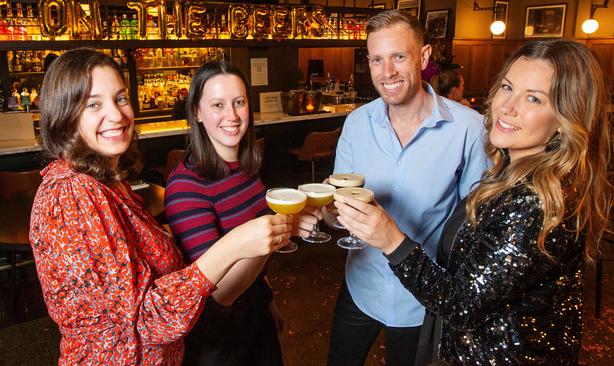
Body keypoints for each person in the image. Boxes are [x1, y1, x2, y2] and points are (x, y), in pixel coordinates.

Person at [334, 39, 612, 364]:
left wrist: (391, 239)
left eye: (534, 98)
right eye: (508, 87)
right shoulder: (511, 172)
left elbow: (461, 305)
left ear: (567, 117)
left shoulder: (535, 200)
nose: (507, 107)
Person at [29, 48, 293, 365]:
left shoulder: (107, 184)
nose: (116, 115)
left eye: (121, 99)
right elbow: (146, 322)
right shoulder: (70, 194)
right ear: (64, 114)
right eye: (93, 104)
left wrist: (264, 297)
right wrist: (237, 245)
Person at [326, 10, 489, 366]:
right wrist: (326, 211)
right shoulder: (356, 123)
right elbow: (341, 209)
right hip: (361, 285)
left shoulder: (469, 128)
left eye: (398, 56)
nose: (387, 72)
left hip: (423, 299)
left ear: (423, 57)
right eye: (377, 60)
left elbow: (477, 224)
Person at [164, 60, 319, 366]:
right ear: (196, 112)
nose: (232, 116)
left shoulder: (247, 169)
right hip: (218, 336)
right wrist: (282, 229)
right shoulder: (185, 187)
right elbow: (218, 292)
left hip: (253, 310)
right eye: (217, 105)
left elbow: (253, 261)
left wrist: (267, 300)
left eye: (239, 103)